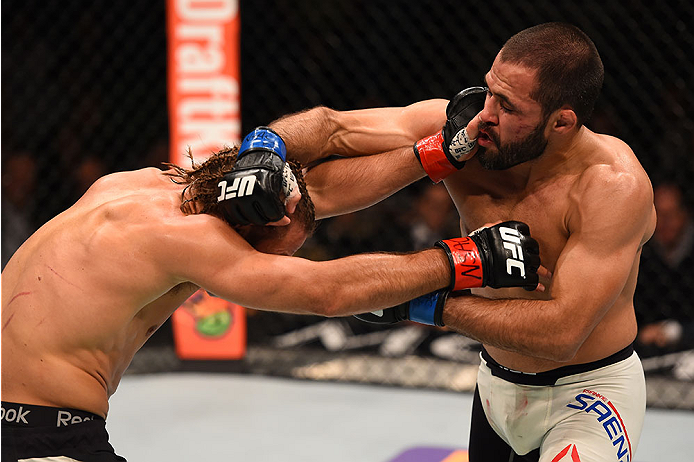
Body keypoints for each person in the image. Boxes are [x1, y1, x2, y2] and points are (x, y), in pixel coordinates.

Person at [230, 22, 656, 462]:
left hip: (587, 395)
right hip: (496, 386)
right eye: (490, 90)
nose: (486, 113)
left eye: (509, 106)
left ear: (562, 122)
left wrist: (422, 303)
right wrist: (265, 147)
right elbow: (333, 128)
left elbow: (562, 334)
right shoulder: (469, 134)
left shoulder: (611, 187)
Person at [0, 128, 544, 461]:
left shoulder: (146, 185)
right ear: (253, 229)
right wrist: (466, 259)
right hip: (36, 431)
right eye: (274, 254)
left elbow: (320, 180)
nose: (272, 267)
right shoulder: (193, 243)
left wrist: (432, 155)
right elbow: (328, 292)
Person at [635, 182, 694, 356]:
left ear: (685, 214)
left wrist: (673, 331)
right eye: (658, 215)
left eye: (669, 215)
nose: (663, 223)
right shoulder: (642, 254)